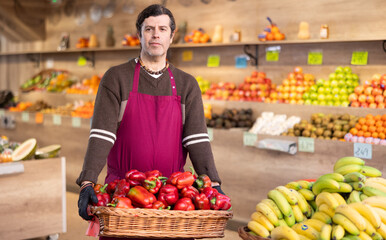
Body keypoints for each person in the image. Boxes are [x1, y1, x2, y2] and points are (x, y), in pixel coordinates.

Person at [77, 4, 224, 240]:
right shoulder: (116, 78)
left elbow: (197, 139)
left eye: (162, 29)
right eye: (149, 29)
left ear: (171, 36)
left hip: (173, 199)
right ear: (139, 35)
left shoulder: (187, 84)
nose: (156, 34)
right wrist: (87, 181)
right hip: (123, 196)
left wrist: (213, 182)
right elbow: (101, 135)